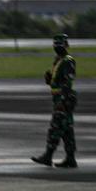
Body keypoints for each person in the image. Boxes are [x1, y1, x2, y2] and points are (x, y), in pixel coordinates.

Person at [31, 34, 77, 168]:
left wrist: (62, 101)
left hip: (64, 98)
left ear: (66, 45)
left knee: (56, 127)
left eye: (60, 44)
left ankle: (48, 156)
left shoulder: (68, 61)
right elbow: (57, 81)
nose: (57, 47)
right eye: (55, 44)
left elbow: (68, 82)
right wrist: (49, 79)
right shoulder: (58, 60)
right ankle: (70, 159)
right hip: (58, 97)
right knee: (67, 130)